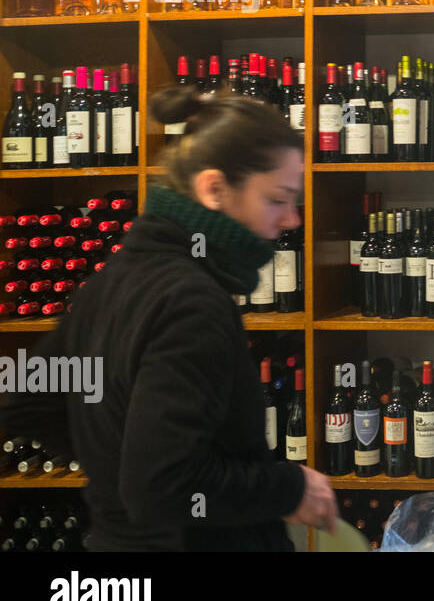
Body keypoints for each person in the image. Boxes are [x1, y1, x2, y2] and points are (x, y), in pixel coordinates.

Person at [0, 88, 337, 550]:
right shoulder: (191, 302)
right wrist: (288, 488)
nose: (293, 219)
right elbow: (162, 484)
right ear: (214, 189)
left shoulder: (114, 278)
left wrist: (118, 472)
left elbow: (27, 399)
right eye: (278, 199)